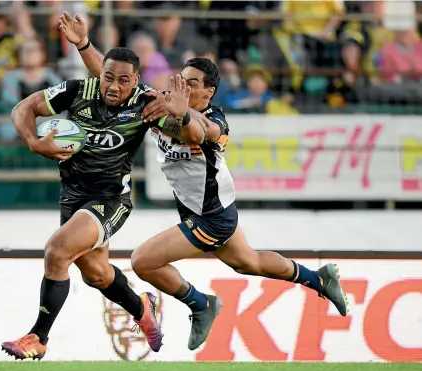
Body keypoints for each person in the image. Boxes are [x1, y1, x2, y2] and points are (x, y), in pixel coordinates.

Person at [58, 12, 349, 351]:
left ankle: (200, 304)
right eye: (181, 79)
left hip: (211, 216)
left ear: (209, 91)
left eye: (192, 83)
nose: (183, 86)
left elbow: (199, 132)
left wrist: (181, 112)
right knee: (249, 262)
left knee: (142, 261)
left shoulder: (216, 120)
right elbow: (113, 82)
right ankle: (320, 278)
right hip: (210, 208)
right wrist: (83, 43)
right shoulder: (161, 102)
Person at [1, 47, 200, 360]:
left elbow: (189, 137)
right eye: (108, 77)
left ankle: (38, 337)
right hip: (72, 195)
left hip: (110, 199)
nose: (114, 86)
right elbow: (23, 108)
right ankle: (142, 308)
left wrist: (182, 116)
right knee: (97, 275)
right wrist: (33, 141)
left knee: (57, 250)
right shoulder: (77, 91)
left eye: (124, 80)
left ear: (136, 81)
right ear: (100, 74)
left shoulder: (147, 103)